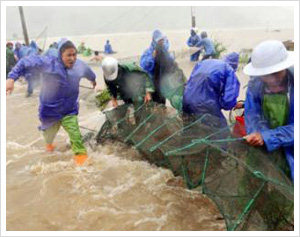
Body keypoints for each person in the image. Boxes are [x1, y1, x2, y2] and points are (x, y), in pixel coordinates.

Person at [6, 38, 96, 166]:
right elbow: (24, 62)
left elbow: (89, 73)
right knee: (49, 137)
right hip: (49, 111)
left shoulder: (79, 65)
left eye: (74, 54)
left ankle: (83, 165)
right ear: (60, 55)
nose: (72, 58)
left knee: (76, 137)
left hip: (69, 110)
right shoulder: (48, 63)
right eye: (68, 55)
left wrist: (93, 81)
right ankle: (49, 148)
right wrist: (11, 78)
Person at [243, 40, 294, 181]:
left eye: (275, 74)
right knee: (256, 179)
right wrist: (257, 133)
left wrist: (268, 137)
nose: (271, 80)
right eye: (265, 75)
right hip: (267, 142)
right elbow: (252, 113)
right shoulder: (256, 84)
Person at [182, 52, 241, 128]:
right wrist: (234, 104)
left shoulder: (204, 63)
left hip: (186, 100)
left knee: (189, 129)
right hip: (204, 105)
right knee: (222, 132)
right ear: (235, 65)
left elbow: (191, 82)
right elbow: (228, 101)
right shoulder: (229, 70)